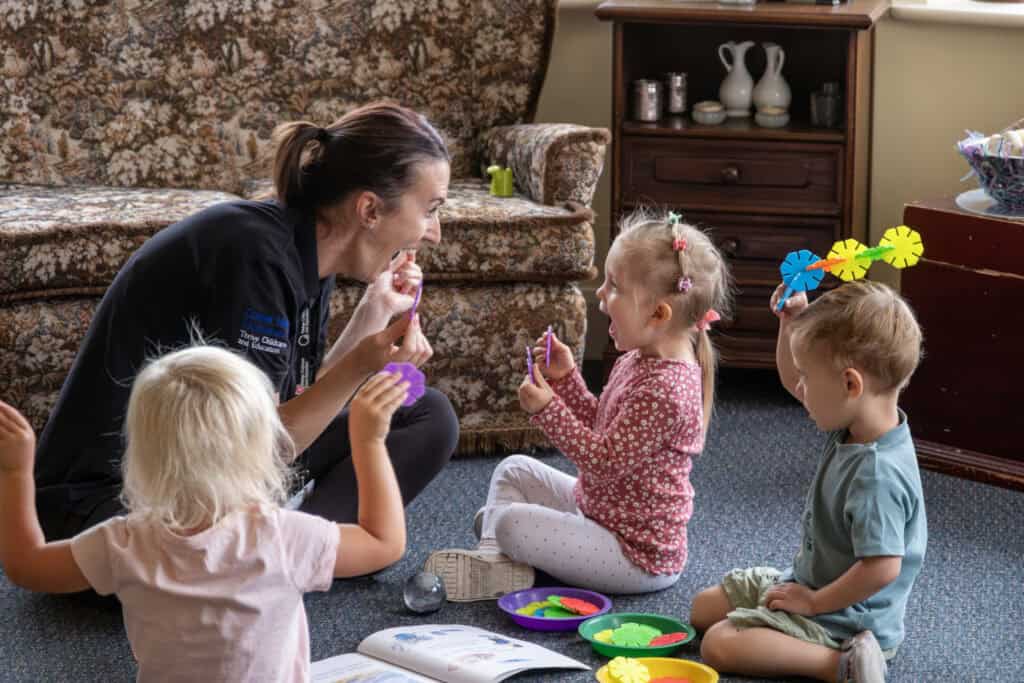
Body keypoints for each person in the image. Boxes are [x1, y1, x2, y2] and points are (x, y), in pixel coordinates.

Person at [33, 101, 459, 540]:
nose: (434, 231)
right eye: (430, 209)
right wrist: (360, 367)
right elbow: (264, 447)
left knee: (425, 413)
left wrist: (374, 313)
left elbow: (294, 404)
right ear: (369, 210)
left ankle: (278, 556)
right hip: (107, 507)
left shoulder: (308, 247)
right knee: (236, 526)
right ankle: (274, 559)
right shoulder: (251, 254)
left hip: (196, 479)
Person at [0, 346, 412, 681]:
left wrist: (16, 471)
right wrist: (369, 441)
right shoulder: (282, 537)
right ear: (260, 446)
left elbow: (27, 566)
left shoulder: (123, 542)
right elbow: (384, 542)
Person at [424, 210, 732, 600]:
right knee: (513, 468)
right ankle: (495, 561)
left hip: (632, 555)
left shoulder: (666, 390)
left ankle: (502, 548)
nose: (600, 295)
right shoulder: (640, 357)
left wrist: (547, 410)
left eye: (614, 286)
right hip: (601, 510)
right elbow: (602, 426)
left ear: (658, 314)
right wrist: (568, 380)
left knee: (509, 524)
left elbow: (602, 462)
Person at [690, 280, 927, 683]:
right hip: (813, 581)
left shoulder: (877, 474)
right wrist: (792, 322)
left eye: (807, 377)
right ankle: (799, 617)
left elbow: (883, 568)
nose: (798, 388)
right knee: (703, 607)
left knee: (719, 643)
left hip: (848, 617)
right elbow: (790, 379)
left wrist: (814, 603)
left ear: (851, 384)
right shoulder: (859, 418)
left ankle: (845, 666)